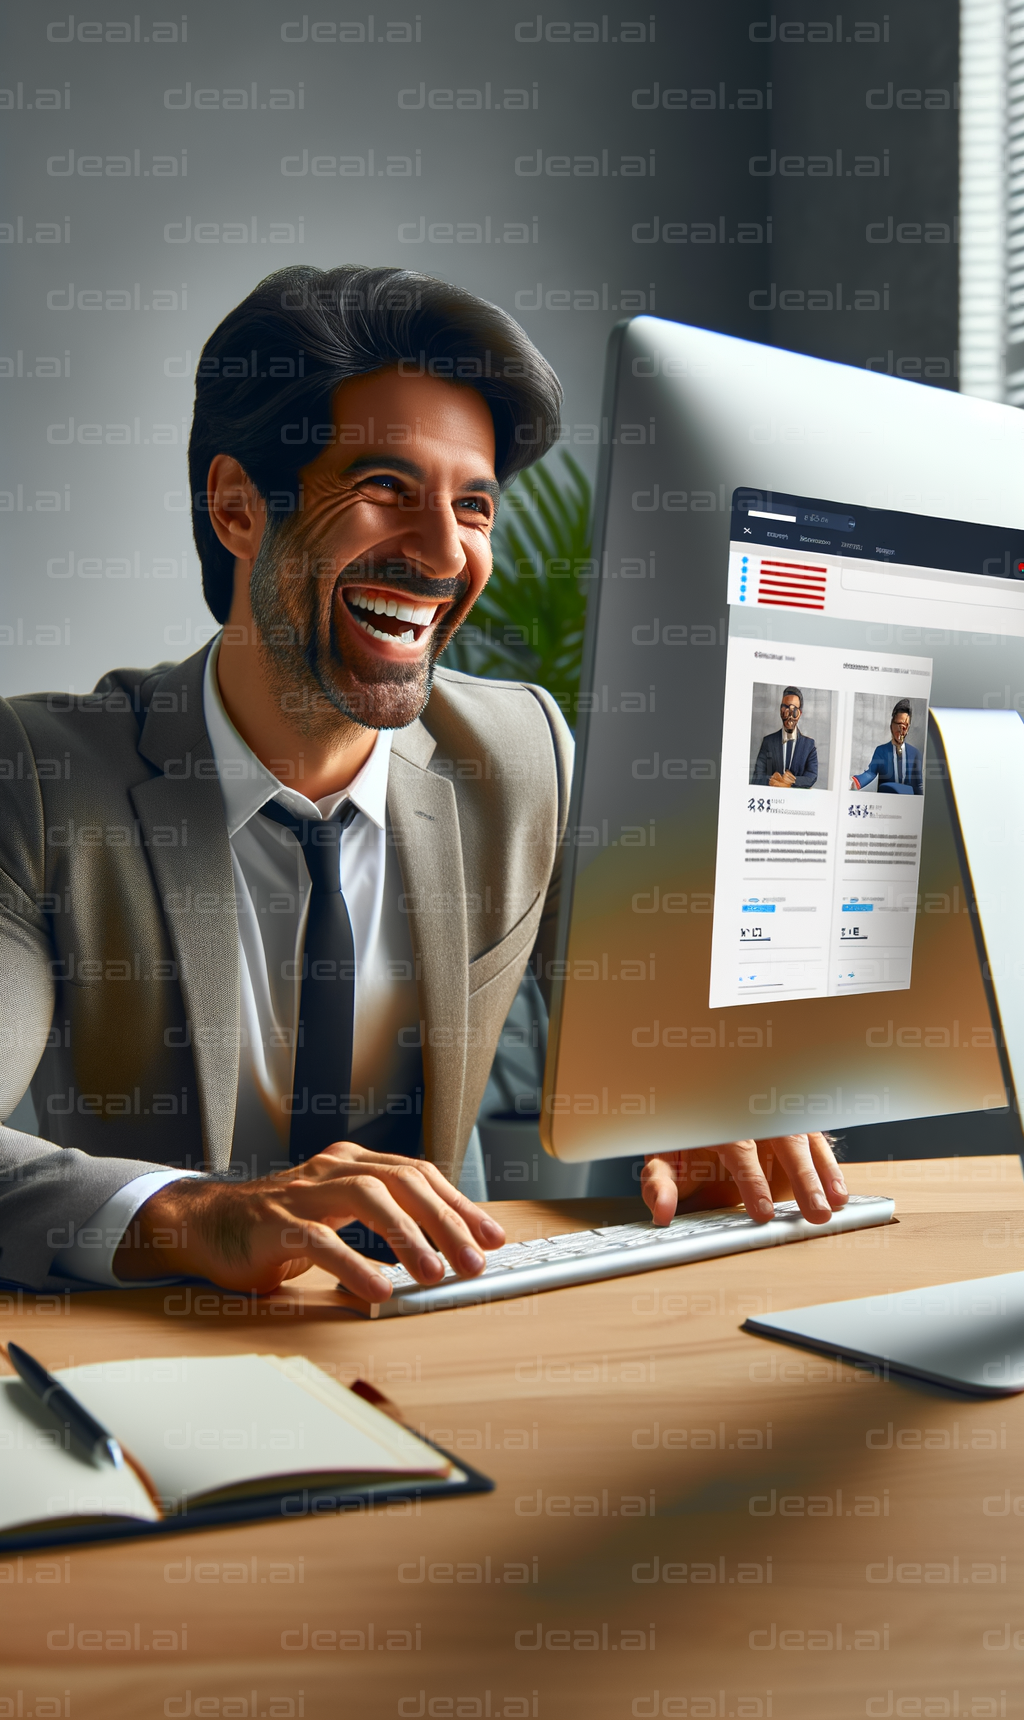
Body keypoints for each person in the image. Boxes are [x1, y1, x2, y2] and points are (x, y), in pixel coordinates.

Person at [0, 266, 849, 1299]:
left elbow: (664, 1050)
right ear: (235, 508)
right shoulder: (40, 779)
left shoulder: (520, 754)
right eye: (385, 491)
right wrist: (198, 1211)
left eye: (476, 506)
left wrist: (712, 1107)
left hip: (456, 1329)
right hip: (161, 1349)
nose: (445, 553)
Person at [751, 688, 819, 789]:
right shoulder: (768, 742)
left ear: (800, 713)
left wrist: (791, 782)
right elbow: (757, 776)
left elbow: (811, 776)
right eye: (785, 708)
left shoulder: (809, 745)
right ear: (780, 710)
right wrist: (771, 780)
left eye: (794, 709)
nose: (789, 715)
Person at [851, 702, 923, 795]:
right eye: (899, 725)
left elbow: (918, 785)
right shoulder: (881, 751)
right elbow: (871, 773)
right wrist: (856, 783)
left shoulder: (915, 753)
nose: (902, 730)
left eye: (905, 726)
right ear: (891, 726)